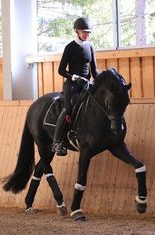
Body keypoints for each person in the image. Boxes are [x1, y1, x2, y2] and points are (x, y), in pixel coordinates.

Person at [52, 17, 98, 156]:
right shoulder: (70, 47)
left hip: (86, 84)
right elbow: (61, 70)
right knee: (68, 108)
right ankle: (57, 142)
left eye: (88, 32)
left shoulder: (90, 46)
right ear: (77, 31)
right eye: (84, 32)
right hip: (72, 84)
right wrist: (73, 77)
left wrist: (100, 82)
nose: (86, 34)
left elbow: (94, 71)